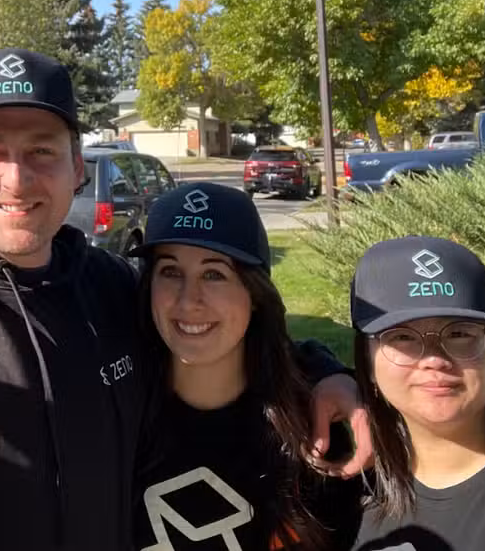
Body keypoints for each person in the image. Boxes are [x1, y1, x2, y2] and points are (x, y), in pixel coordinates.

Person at [0, 48, 368, 551]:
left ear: (76, 167)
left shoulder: (112, 287)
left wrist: (329, 375)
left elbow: (225, 327)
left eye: (41, 150)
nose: (16, 179)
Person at [130, 182, 364, 550]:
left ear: (254, 294)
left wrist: (333, 376)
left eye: (214, 274)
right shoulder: (119, 411)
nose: (188, 301)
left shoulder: (310, 429)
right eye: (171, 271)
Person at [350, 236, 485, 551]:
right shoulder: (350, 488)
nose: (434, 358)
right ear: (366, 362)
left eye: (459, 333)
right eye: (402, 337)